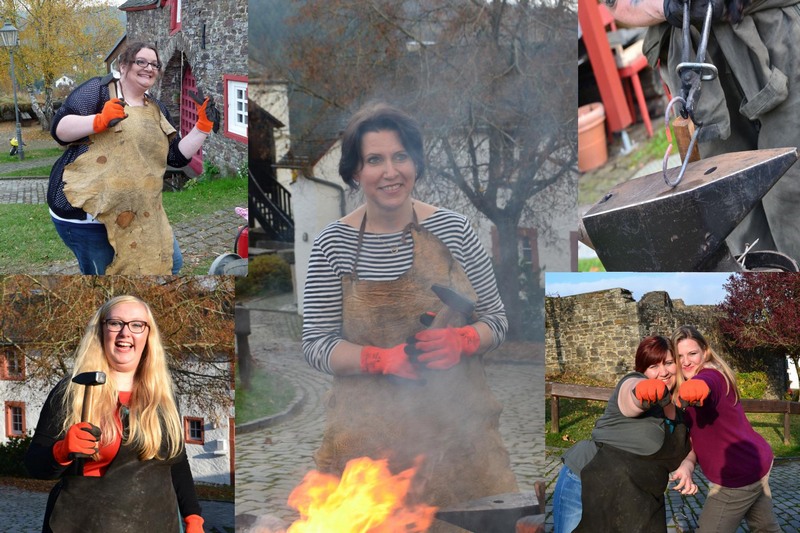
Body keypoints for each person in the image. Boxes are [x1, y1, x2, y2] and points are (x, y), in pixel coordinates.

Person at [301, 102, 518, 514]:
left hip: (460, 443)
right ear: (355, 172)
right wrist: (380, 359)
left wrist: (465, 338)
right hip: (367, 448)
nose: (390, 171)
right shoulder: (333, 244)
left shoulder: (454, 230)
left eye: (400, 156)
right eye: (374, 160)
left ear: (416, 163)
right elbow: (316, 343)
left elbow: (497, 320)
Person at [607, 0, 800, 262]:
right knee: (735, 213)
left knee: (792, 191)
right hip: (692, 64)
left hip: (778, 33)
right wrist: (665, 7)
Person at [24, 295, 205, 533]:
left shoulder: (163, 396)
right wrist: (62, 450)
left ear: (148, 336)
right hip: (85, 524)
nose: (125, 333)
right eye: (115, 323)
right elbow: (34, 465)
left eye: (137, 325)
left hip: (158, 523)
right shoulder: (74, 391)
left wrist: (193, 518)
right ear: (101, 331)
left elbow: (176, 462)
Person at [46, 42, 216, 275]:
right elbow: (59, 130)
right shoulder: (99, 90)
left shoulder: (156, 108)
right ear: (123, 65)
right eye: (141, 62)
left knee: (172, 265)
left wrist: (202, 127)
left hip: (141, 213)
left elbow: (175, 156)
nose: (149, 68)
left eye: (155, 64)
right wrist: (99, 120)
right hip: (88, 219)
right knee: (106, 277)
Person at [552, 336, 693, 532]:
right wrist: (641, 393)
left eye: (669, 363)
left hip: (636, 497)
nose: (663, 372)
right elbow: (630, 398)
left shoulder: (680, 415)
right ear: (642, 371)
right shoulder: (632, 381)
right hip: (585, 481)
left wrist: (687, 465)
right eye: (653, 367)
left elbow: (689, 446)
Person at [672, 325, 781, 532]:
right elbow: (699, 435)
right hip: (755, 462)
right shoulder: (687, 384)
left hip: (737, 476)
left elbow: (708, 384)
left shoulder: (712, 376)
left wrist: (697, 387)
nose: (686, 361)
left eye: (692, 353)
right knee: (765, 528)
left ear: (705, 351)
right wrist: (688, 462)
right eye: (679, 356)